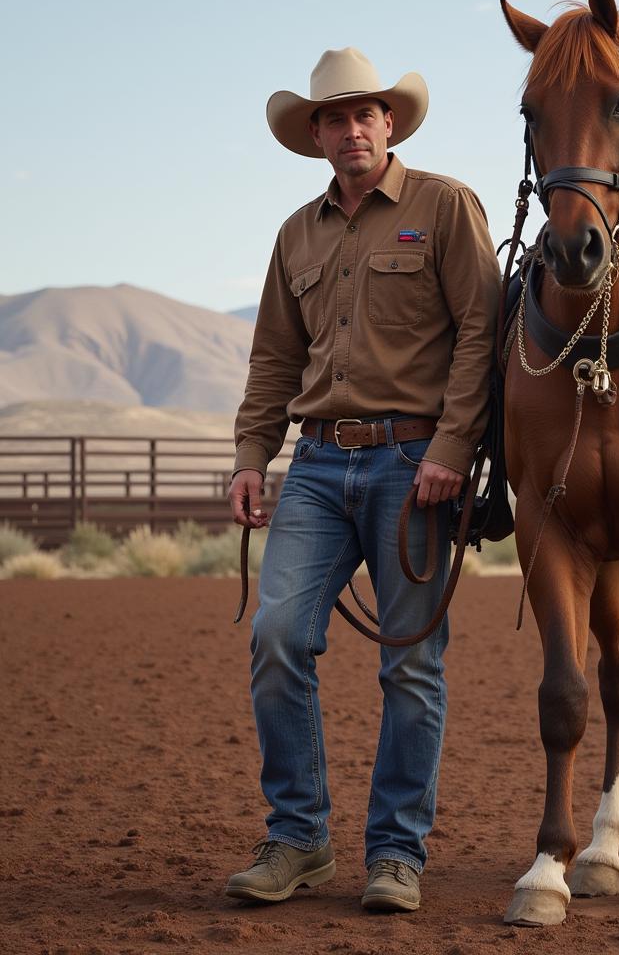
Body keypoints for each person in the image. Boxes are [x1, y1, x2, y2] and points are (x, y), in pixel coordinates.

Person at [224, 47, 499, 912]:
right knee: (276, 638)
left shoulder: (445, 207)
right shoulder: (295, 233)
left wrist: (454, 448)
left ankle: (397, 855)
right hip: (315, 464)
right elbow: (274, 357)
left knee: (411, 664)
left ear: (390, 123)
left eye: (365, 114)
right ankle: (299, 838)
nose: (351, 130)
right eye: (334, 118)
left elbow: (482, 335)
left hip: (416, 464)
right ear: (316, 134)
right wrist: (248, 456)